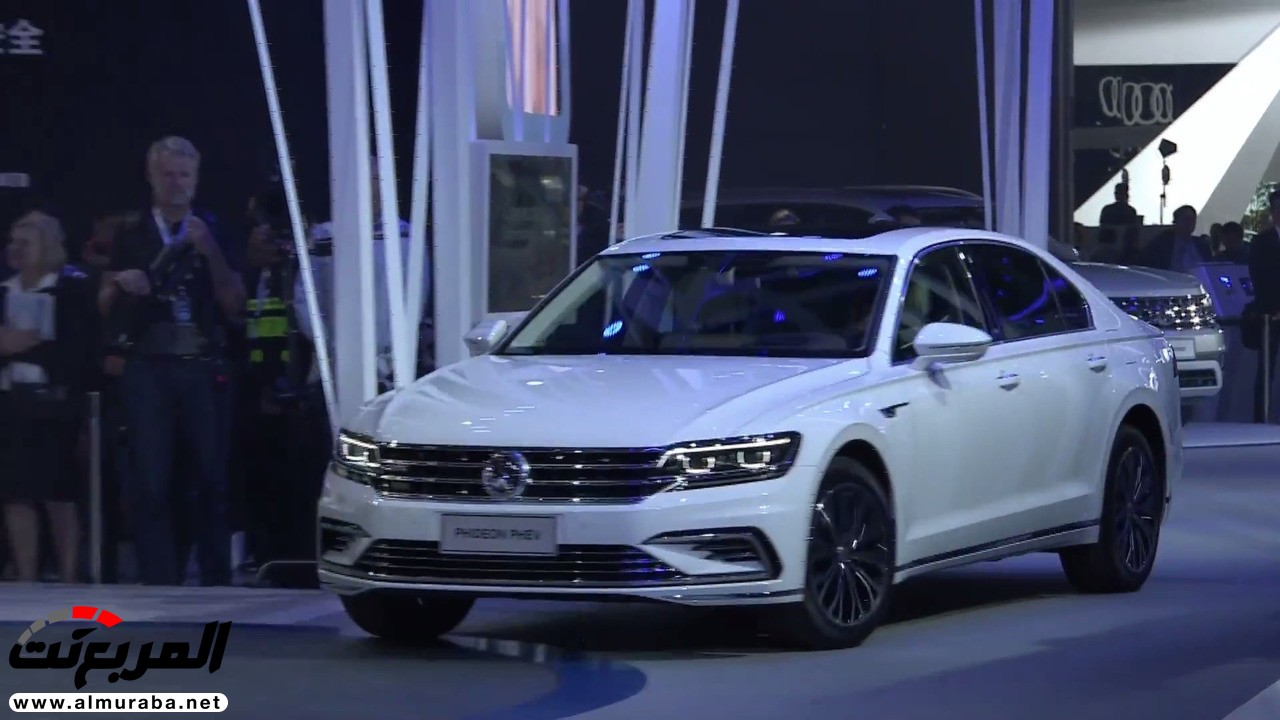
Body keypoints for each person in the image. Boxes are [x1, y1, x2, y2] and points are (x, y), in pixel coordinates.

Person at [98, 136, 245, 586]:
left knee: (211, 475)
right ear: (151, 177)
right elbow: (101, 303)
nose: (176, 183)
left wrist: (211, 251)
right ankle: (159, 579)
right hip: (149, 364)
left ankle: (216, 578)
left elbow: (236, 306)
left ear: (196, 180)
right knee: (152, 478)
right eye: (167, 174)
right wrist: (121, 283)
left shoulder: (215, 230)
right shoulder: (130, 233)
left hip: (201, 362)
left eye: (184, 174)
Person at [0, 211, 97, 583]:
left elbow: (79, 354)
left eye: (25, 242)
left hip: (55, 403)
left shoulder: (71, 290)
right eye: (13, 241)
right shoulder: (5, 290)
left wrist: (22, 346)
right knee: (15, 492)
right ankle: (26, 575)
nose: (15, 249)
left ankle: (69, 574)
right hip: (11, 400)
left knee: (58, 490)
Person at [1249, 190, 1280, 423]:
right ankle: (1261, 418)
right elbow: (1259, 277)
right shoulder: (1261, 242)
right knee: (1266, 368)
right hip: (1271, 315)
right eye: (1277, 209)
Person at [1140, 205, 1211, 272]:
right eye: (1186, 219)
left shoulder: (1201, 244)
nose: (1190, 223)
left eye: (1192, 220)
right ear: (1176, 221)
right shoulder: (1162, 242)